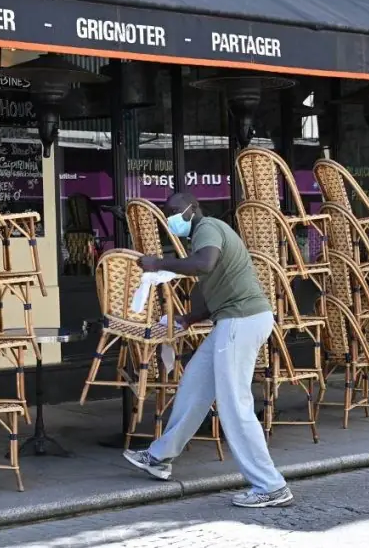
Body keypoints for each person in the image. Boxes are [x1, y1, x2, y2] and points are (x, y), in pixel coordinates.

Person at [122, 191, 293, 508]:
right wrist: (187, 319)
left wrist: (158, 262)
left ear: (193, 208)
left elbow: (205, 263)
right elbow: (209, 282)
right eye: (167, 212)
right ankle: (159, 457)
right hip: (236, 320)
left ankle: (270, 485)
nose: (171, 216)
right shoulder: (200, 237)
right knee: (195, 385)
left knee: (234, 406)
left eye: (175, 210)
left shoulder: (207, 228)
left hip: (240, 321)